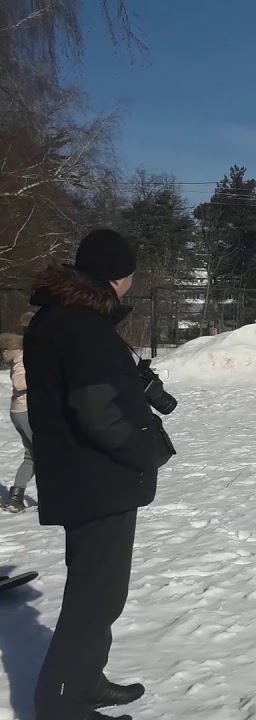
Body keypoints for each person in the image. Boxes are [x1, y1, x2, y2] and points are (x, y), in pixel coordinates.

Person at [26, 229, 173, 719]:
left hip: (84, 477)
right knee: (94, 596)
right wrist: (144, 450)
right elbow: (99, 413)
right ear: (119, 276)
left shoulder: (65, 317)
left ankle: (85, 679)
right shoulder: (82, 326)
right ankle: (61, 704)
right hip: (95, 479)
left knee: (101, 592)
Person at [1, 312, 33, 512]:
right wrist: (40, 376)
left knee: (32, 455)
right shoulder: (22, 355)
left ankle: (16, 496)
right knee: (42, 454)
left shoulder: (20, 353)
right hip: (25, 409)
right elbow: (20, 383)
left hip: (19, 410)